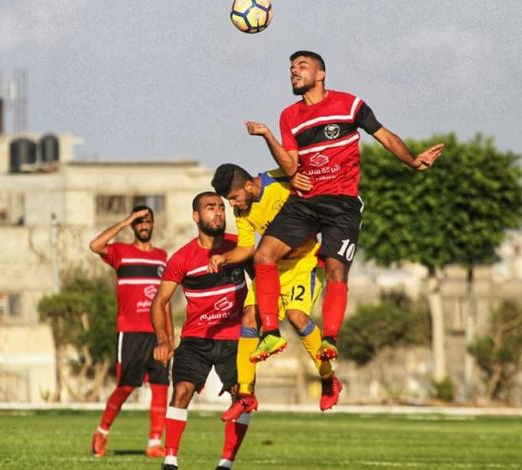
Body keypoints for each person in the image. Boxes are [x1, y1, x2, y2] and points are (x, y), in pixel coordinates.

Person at [246, 50, 444, 367]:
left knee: (336, 270)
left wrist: (412, 161)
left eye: (302, 66)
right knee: (263, 255)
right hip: (304, 202)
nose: (294, 71)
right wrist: (269, 137)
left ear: (321, 74)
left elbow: (383, 135)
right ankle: (270, 331)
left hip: (341, 204)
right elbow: (291, 164)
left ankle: (330, 339)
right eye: (291, 67)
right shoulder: (289, 116)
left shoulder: (349, 104)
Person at [210, 163, 339, 414]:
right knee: (249, 317)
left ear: (249, 186)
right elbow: (246, 248)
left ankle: (328, 379)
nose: (232, 204)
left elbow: (302, 171)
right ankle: (245, 395)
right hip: (271, 268)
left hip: (303, 264)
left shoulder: (280, 180)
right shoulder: (242, 212)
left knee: (296, 316)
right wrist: (223, 258)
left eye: (234, 198)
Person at [151, 192, 249, 470]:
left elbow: (266, 272)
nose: (218, 213)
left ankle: (226, 463)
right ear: (196, 216)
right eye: (210, 208)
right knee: (181, 391)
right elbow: (159, 302)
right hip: (196, 339)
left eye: (221, 207)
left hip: (235, 339)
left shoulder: (240, 247)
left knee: (241, 397)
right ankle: (170, 460)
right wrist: (163, 340)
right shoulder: (182, 258)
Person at [88, 206, 170, 458]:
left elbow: (165, 300)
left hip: (157, 334)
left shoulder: (162, 257)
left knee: (161, 386)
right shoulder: (121, 252)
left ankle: (154, 443)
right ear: (134, 226)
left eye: (147, 221)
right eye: (139, 221)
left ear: (153, 224)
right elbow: (95, 245)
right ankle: (101, 432)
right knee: (125, 387)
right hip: (131, 332)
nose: (143, 225)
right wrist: (126, 220)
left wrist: (168, 337)